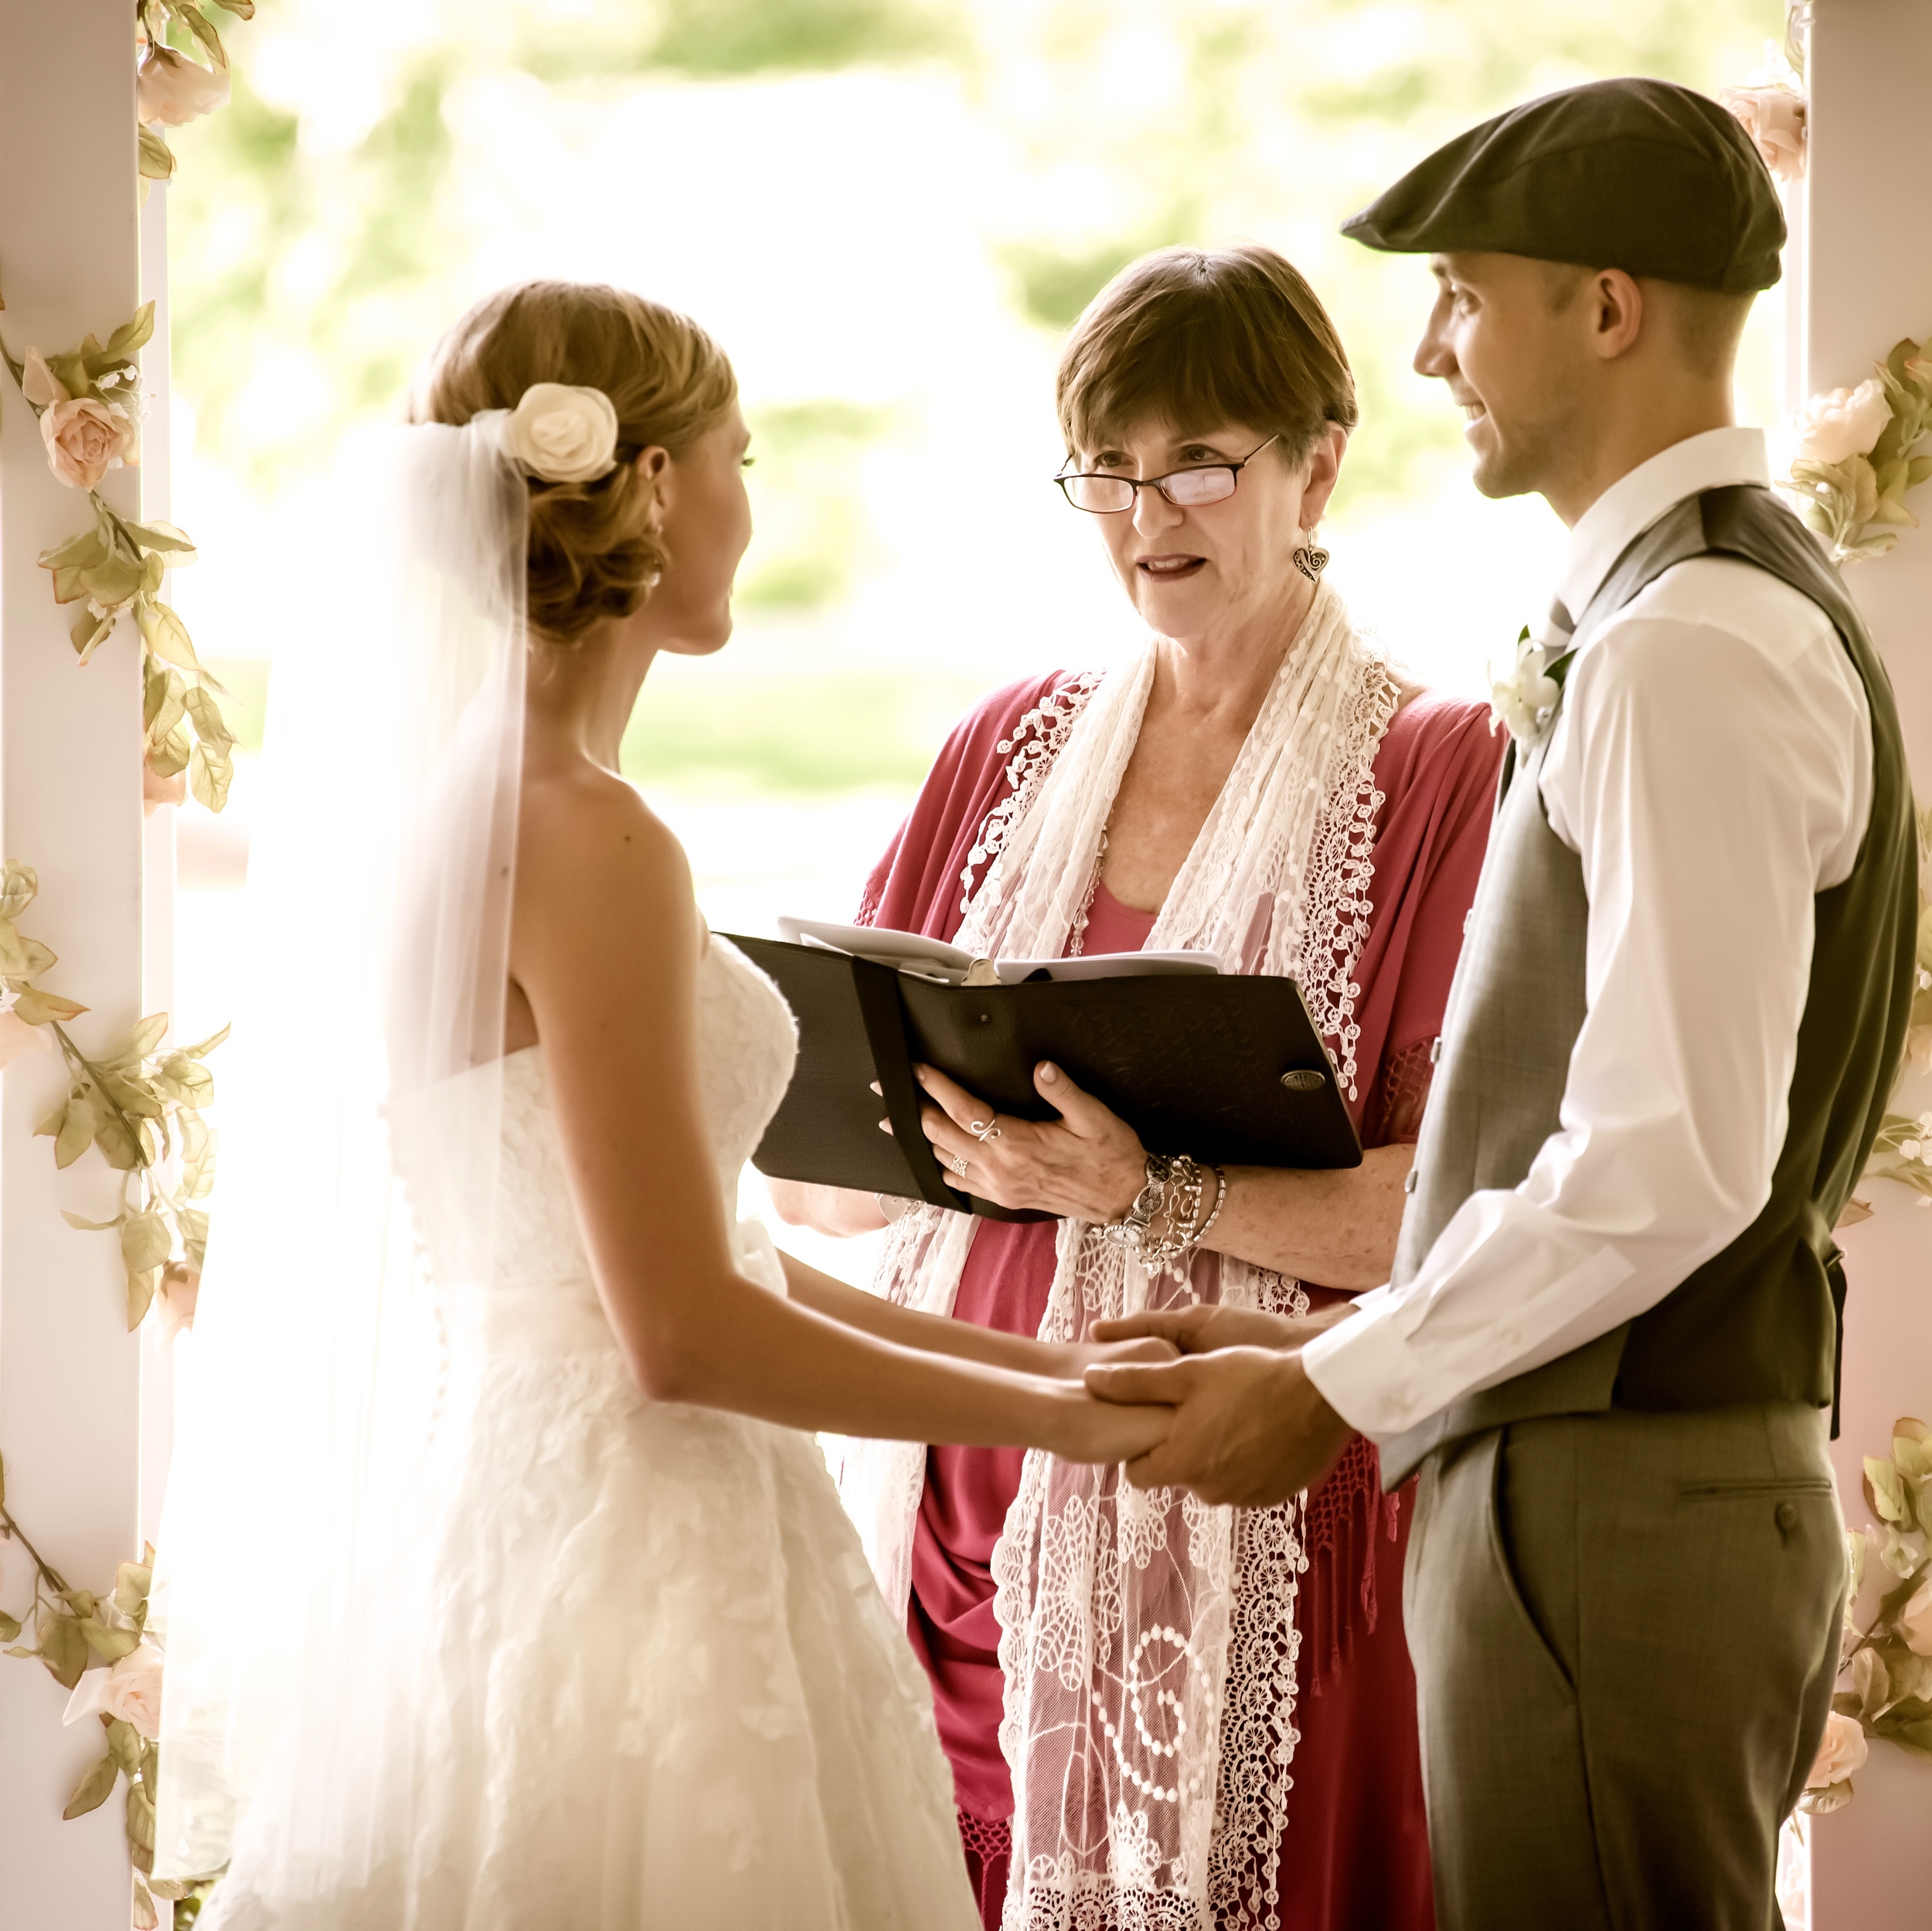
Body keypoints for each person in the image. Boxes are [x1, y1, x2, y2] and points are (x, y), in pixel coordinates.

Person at [150, 281, 1178, 1928]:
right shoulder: (589, 837)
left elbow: (692, 1267)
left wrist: (1051, 1356)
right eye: (738, 456)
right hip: (643, 1556)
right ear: (645, 490)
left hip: (522, 1506)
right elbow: (681, 1332)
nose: (746, 504)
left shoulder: (467, 804)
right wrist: (1057, 1422)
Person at [1088, 80, 1919, 1931]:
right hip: (1605, 1487)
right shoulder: (1675, 612)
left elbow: (1662, 1165)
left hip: (1615, 1515)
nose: (1428, 345)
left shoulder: (1685, 645)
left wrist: (1325, 1377)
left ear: (1604, 309)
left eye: (1463, 291)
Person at [774, 246, 1503, 1929]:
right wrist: (935, 1140)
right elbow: (803, 1166)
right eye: (1104, 466)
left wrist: (1139, 1191)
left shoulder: (1445, 771)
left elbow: (1445, 1209)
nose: (1141, 511)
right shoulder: (1002, 744)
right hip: (961, 1508)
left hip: (1252, 1508)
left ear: (1320, 463)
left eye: (1197, 462)